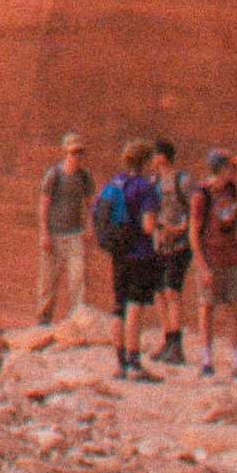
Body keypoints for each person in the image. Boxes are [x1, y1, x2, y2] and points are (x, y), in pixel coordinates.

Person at [94, 139, 160, 373]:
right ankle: (135, 361)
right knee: (135, 306)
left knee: (119, 306)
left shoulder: (115, 183)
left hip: (119, 252)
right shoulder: (145, 188)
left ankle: (120, 362)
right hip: (140, 253)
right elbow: (149, 226)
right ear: (146, 161)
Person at [189, 141, 237, 373]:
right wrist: (203, 267)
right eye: (231, 167)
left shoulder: (231, 189)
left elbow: (232, 218)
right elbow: (193, 233)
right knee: (207, 307)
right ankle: (207, 359)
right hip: (211, 259)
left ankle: (236, 359)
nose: (234, 171)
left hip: (231, 257)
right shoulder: (201, 194)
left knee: (233, 307)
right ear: (222, 168)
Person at [36, 132, 93, 333]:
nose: (77, 156)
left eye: (80, 152)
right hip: (54, 235)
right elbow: (44, 205)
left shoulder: (84, 177)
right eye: (73, 152)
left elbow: (89, 204)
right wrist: (44, 233)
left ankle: (78, 321)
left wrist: (89, 227)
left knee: (78, 278)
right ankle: (43, 320)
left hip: (74, 234)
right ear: (66, 153)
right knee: (48, 282)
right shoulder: (54, 175)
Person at [149, 136, 196, 368]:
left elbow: (196, 210)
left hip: (179, 246)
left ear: (163, 157)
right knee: (158, 293)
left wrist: (179, 229)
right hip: (159, 245)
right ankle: (167, 339)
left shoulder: (183, 181)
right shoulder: (153, 182)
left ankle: (177, 345)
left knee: (172, 292)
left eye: (154, 155)